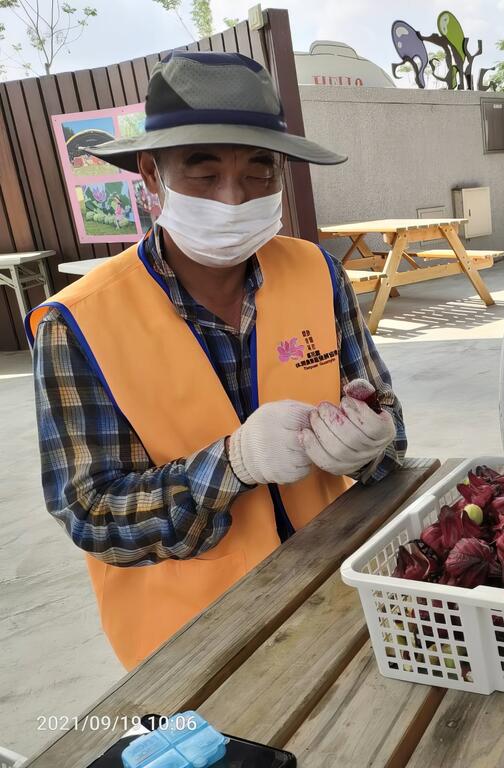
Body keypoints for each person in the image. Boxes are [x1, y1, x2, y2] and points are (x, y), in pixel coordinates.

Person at [27, 51, 407, 669]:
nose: (234, 199)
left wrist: (370, 445)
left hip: (337, 586)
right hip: (191, 642)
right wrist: (235, 462)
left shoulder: (317, 272)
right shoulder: (79, 324)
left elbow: (385, 417)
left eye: (259, 172)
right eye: (204, 174)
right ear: (152, 176)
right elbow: (93, 515)